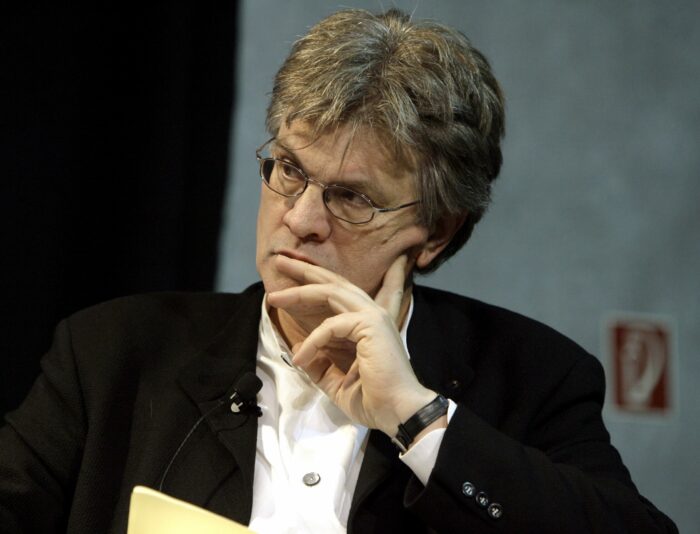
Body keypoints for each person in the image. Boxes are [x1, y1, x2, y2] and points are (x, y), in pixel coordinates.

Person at [0, 8, 677, 534]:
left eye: (351, 198)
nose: (299, 218)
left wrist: (414, 418)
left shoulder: (532, 379)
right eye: (289, 170)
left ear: (437, 232)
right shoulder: (112, 356)